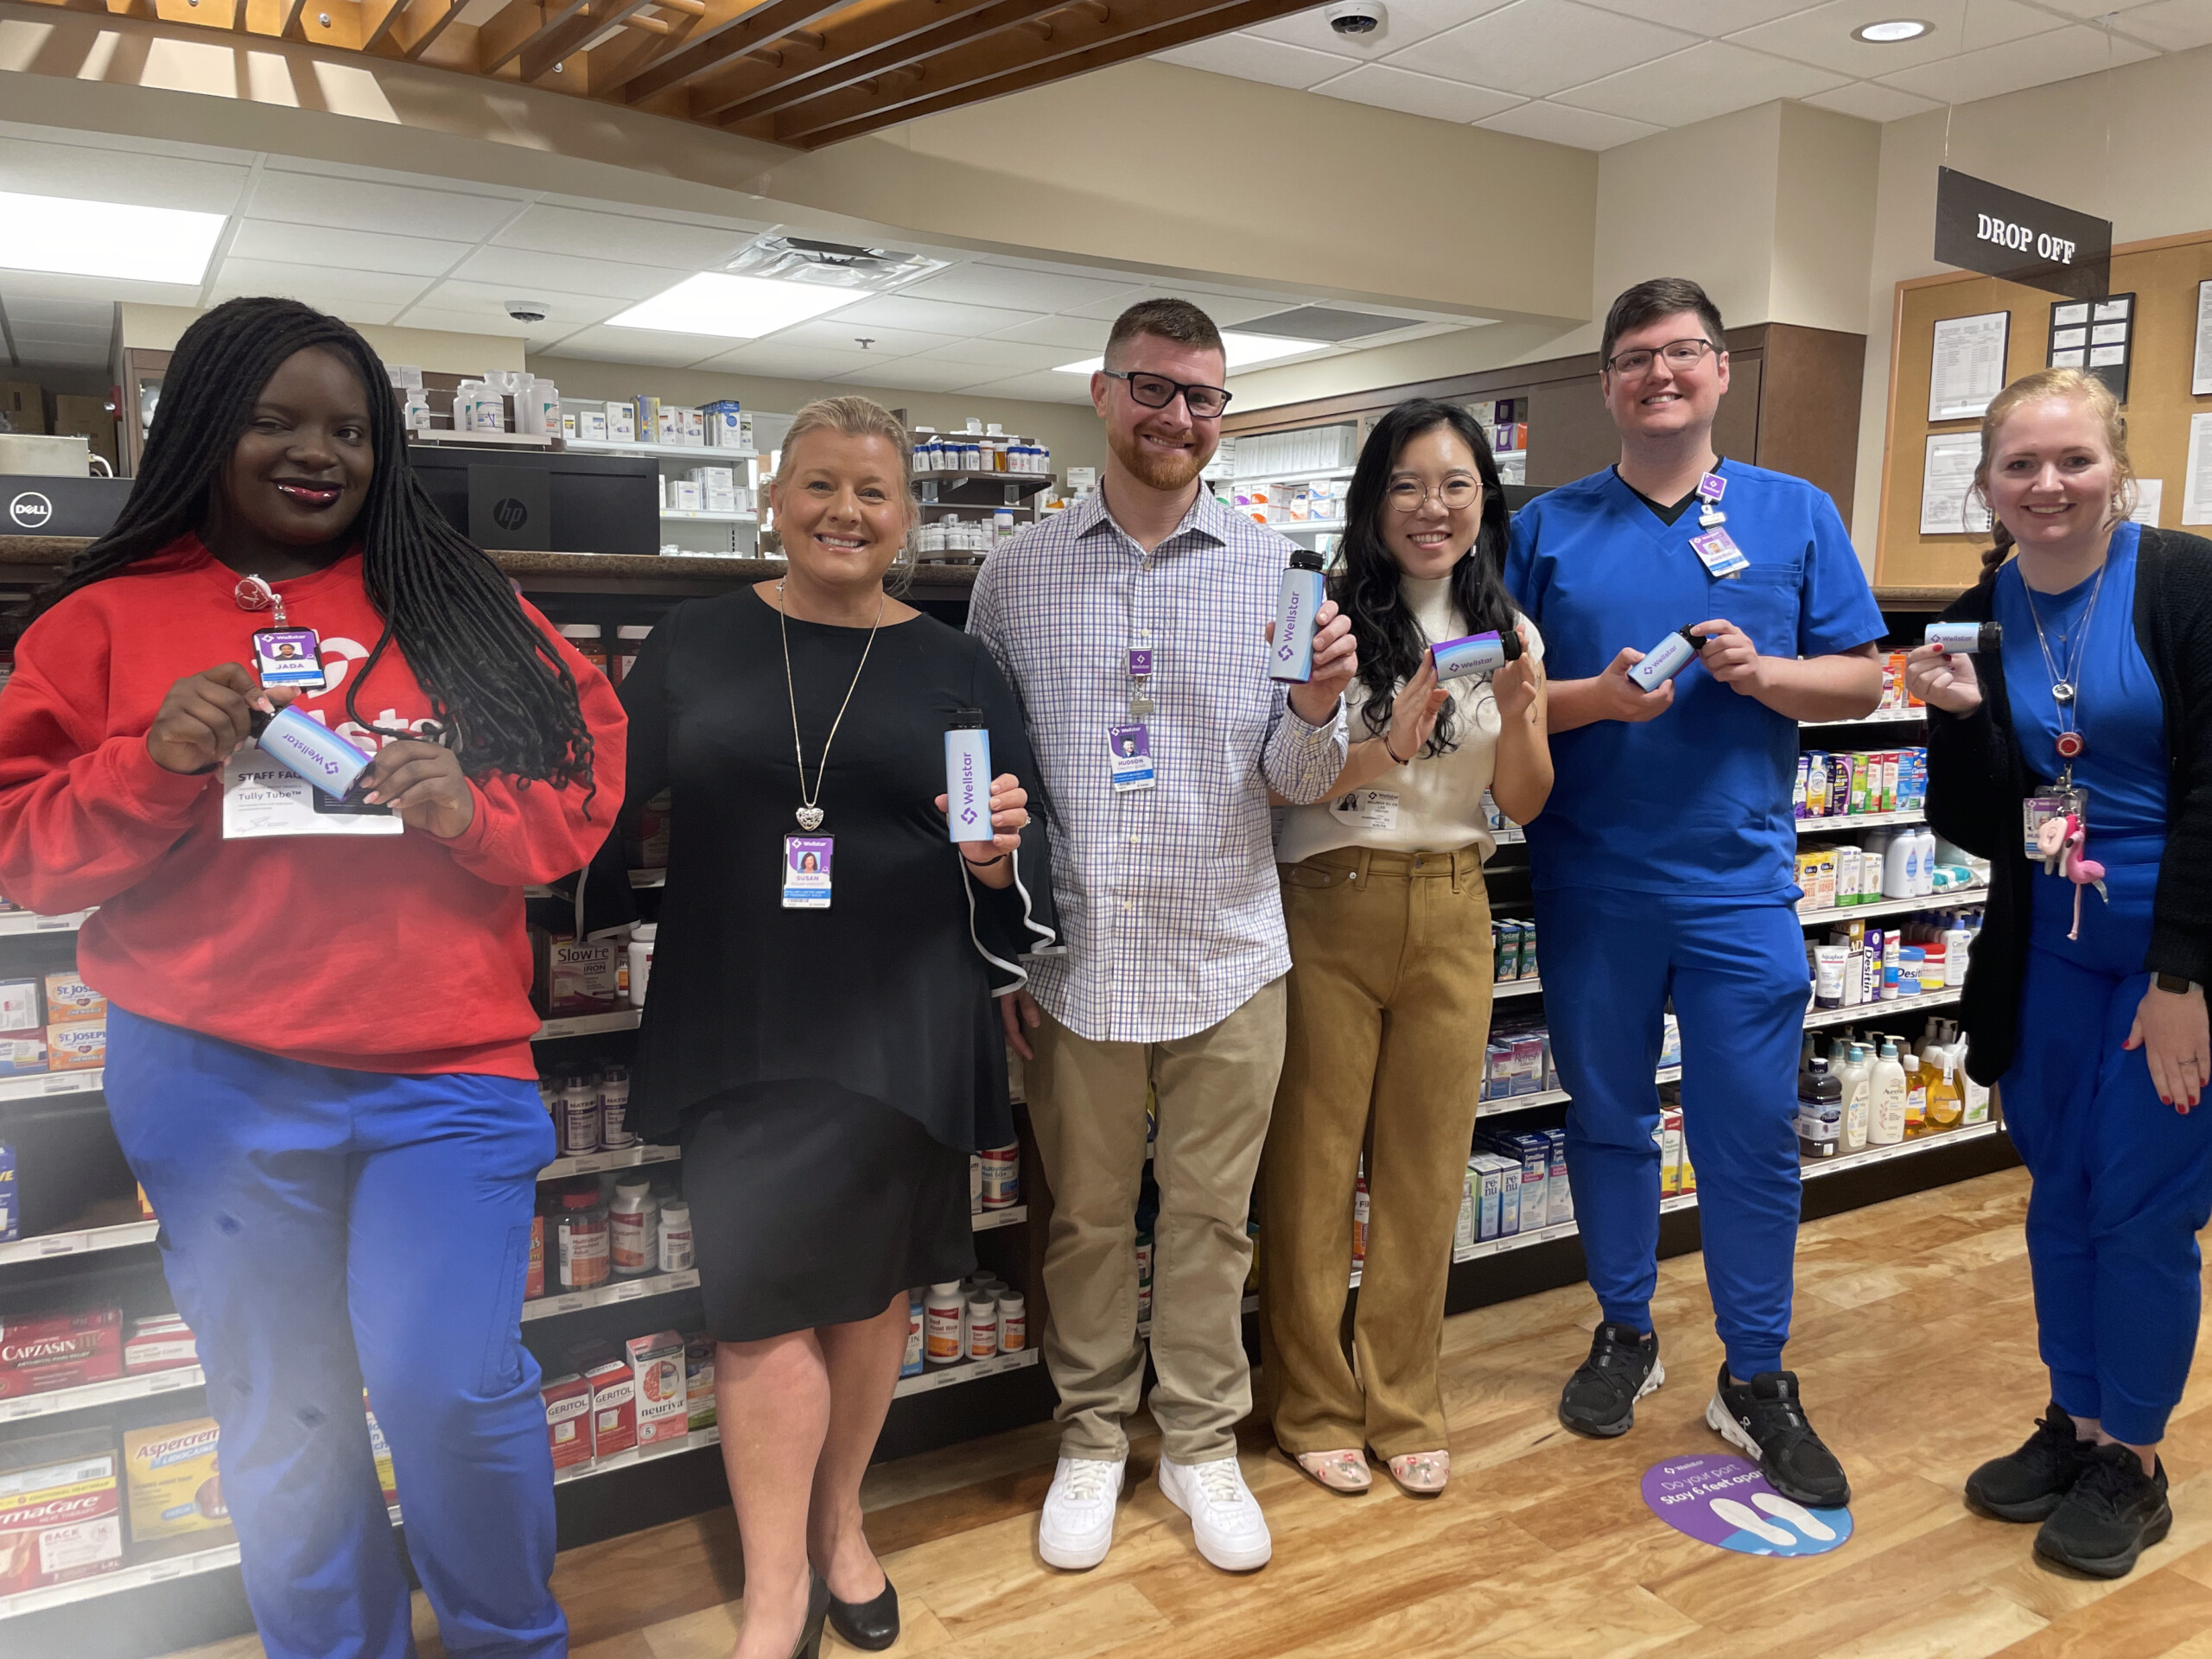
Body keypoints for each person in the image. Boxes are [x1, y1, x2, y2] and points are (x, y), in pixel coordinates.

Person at [0, 297, 626, 1658]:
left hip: (446, 1072)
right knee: (280, 1409)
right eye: (274, 420)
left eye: (348, 428)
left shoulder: (462, 601)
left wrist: (469, 808)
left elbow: (578, 792)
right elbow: (24, 856)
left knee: (451, 1388)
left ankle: (512, 1642)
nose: (315, 452)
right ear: (204, 432)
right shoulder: (106, 619)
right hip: (212, 1080)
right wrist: (149, 763)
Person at [582, 397, 1052, 1659]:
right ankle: (777, 1580)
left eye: (874, 493)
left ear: (908, 516)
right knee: (756, 1303)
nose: (846, 512)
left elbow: (1009, 850)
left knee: (870, 1297)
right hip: (742, 1006)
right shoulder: (693, 643)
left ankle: (841, 1520)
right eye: (820, 487)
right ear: (772, 498)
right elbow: (599, 810)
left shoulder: (958, 666)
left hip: (904, 1014)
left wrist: (1002, 866)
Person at [970, 298, 1355, 1574]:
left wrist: (1314, 705)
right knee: (1081, 1218)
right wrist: (997, 947)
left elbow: (1299, 779)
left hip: (1230, 951)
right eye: (1154, 389)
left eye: (1203, 398)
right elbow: (985, 762)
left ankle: (1198, 1442)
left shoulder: (1277, 570)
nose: (1178, 418)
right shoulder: (1016, 570)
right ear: (1101, 392)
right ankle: (1090, 1439)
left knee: (1210, 1217)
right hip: (1076, 958)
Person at [1503, 276, 1885, 1508]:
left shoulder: (1796, 514)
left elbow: (1863, 683)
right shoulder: (1546, 529)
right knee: (1607, 1120)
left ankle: (1757, 1376)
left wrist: (1769, 673)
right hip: (1593, 880)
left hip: (1738, 886)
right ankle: (1625, 1328)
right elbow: (1493, 701)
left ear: (1722, 372)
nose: (1658, 375)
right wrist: (1594, 699)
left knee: (1749, 1137)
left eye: (1682, 354)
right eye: (1633, 358)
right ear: (1607, 383)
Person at [1909, 367, 2212, 1580]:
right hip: (2052, 955)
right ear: (1986, 482)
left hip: (2172, 962)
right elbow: (1989, 818)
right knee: (2060, 1192)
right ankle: (2076, 1423)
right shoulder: (1980, 607)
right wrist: (1962, 722)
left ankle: (2132, 1462)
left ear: (2118, 469)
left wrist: (2184, 980)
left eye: (2072, 460)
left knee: (2141, 1208)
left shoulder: (2186, 583)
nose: (2047, 485)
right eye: (2020, 465)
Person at [1260, 398, 1550, 1497]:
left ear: (1485, 501)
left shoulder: (1511, 628)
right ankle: (1310, 1403)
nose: (1432, 508)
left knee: (1426, 1171)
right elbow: (1277, 781)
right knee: (1313, 1169)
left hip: (1453, 902)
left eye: (1456, 486)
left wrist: (1521, 711)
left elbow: (1522, 797)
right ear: (1372, 499)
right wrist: (1386, 742)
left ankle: (1404, 1401)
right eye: (1407, 485)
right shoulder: (1323, 617)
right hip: (1327, 897)